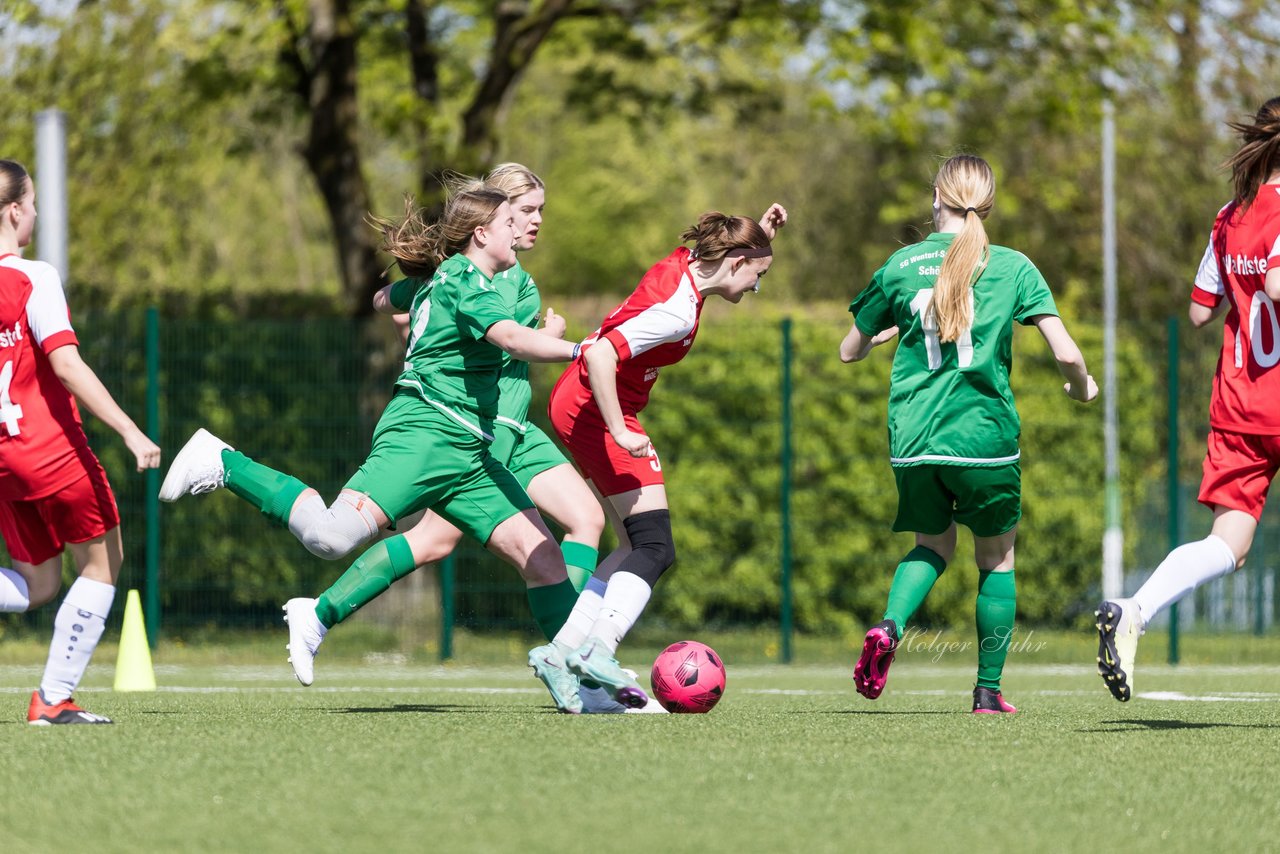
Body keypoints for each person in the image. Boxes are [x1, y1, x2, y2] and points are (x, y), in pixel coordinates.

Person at [160, 183, 586, 711]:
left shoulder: (454, 277)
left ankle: (585, 677)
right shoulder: (471, 281)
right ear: (483, 232)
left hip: (469, 454)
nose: (525, 226)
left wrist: (414, 309)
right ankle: (223, 462)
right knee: (329, 538)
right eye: (514, 219)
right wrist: (579, 348)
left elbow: (387, 298)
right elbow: (514, 340)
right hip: (426, 435)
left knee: (544, 559)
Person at [840, 154, 1096, 714]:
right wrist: (1082, 387)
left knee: (931, 546)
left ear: (937, 196)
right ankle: (987, 691)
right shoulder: (1012, 266)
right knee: (997, 561)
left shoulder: (901, 265)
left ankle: (890, 625)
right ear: (988, 203)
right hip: (984, 438)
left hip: (914, 439)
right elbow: (1066, 352)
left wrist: (886, 333)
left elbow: (847, 351)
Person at [526, 203, 788, 709]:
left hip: (581, 404)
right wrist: (622, 432)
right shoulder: (678, 310)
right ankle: (598, 650)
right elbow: (600, 352)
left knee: (631, 544)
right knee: (656, 546)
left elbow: (723, 256)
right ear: (735, 262)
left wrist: (760, 234)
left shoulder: (691, 268)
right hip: (595, 409)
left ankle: (559, 654)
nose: (758, 286)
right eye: (759, 275)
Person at [1096, 97, 1280, 702]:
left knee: (1227, 544)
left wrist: (1240, 277)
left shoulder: (1229, 217)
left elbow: (1201, 311)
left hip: (1238, 401)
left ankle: (1135, 609)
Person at [0, 159, 162, 724]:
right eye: (35, 203)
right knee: (102, 565)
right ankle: (52, 699)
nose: (38, 214)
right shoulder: (33, 277)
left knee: (38, 583)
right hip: (52, 452)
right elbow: (65, 365)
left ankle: (53, 699)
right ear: (15, 209)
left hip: (3, 462)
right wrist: (129, 429)